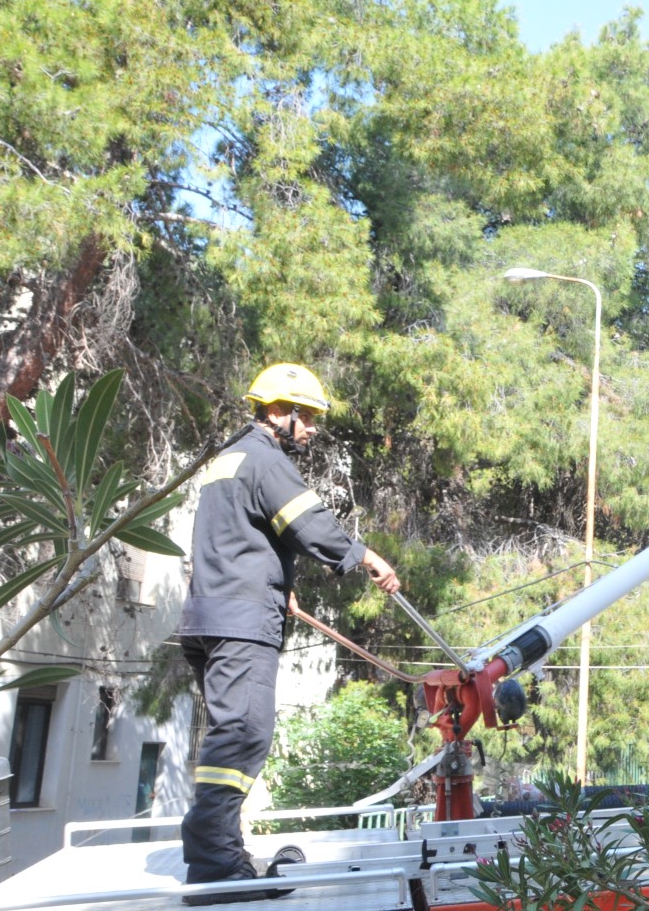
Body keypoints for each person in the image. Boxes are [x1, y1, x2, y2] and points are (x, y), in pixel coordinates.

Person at [177, 363, 400, 904]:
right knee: (242, 735)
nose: (313, 429)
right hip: (241, 623)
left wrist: (279, 588)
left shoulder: (228, 458)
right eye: (308, 418)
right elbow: (307, 524)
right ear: (279, 412)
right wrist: (365, 556)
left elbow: (236, 538)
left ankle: (224, 857)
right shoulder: (266, 459)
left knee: (230, 734)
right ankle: (213, 867)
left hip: (211, 614)